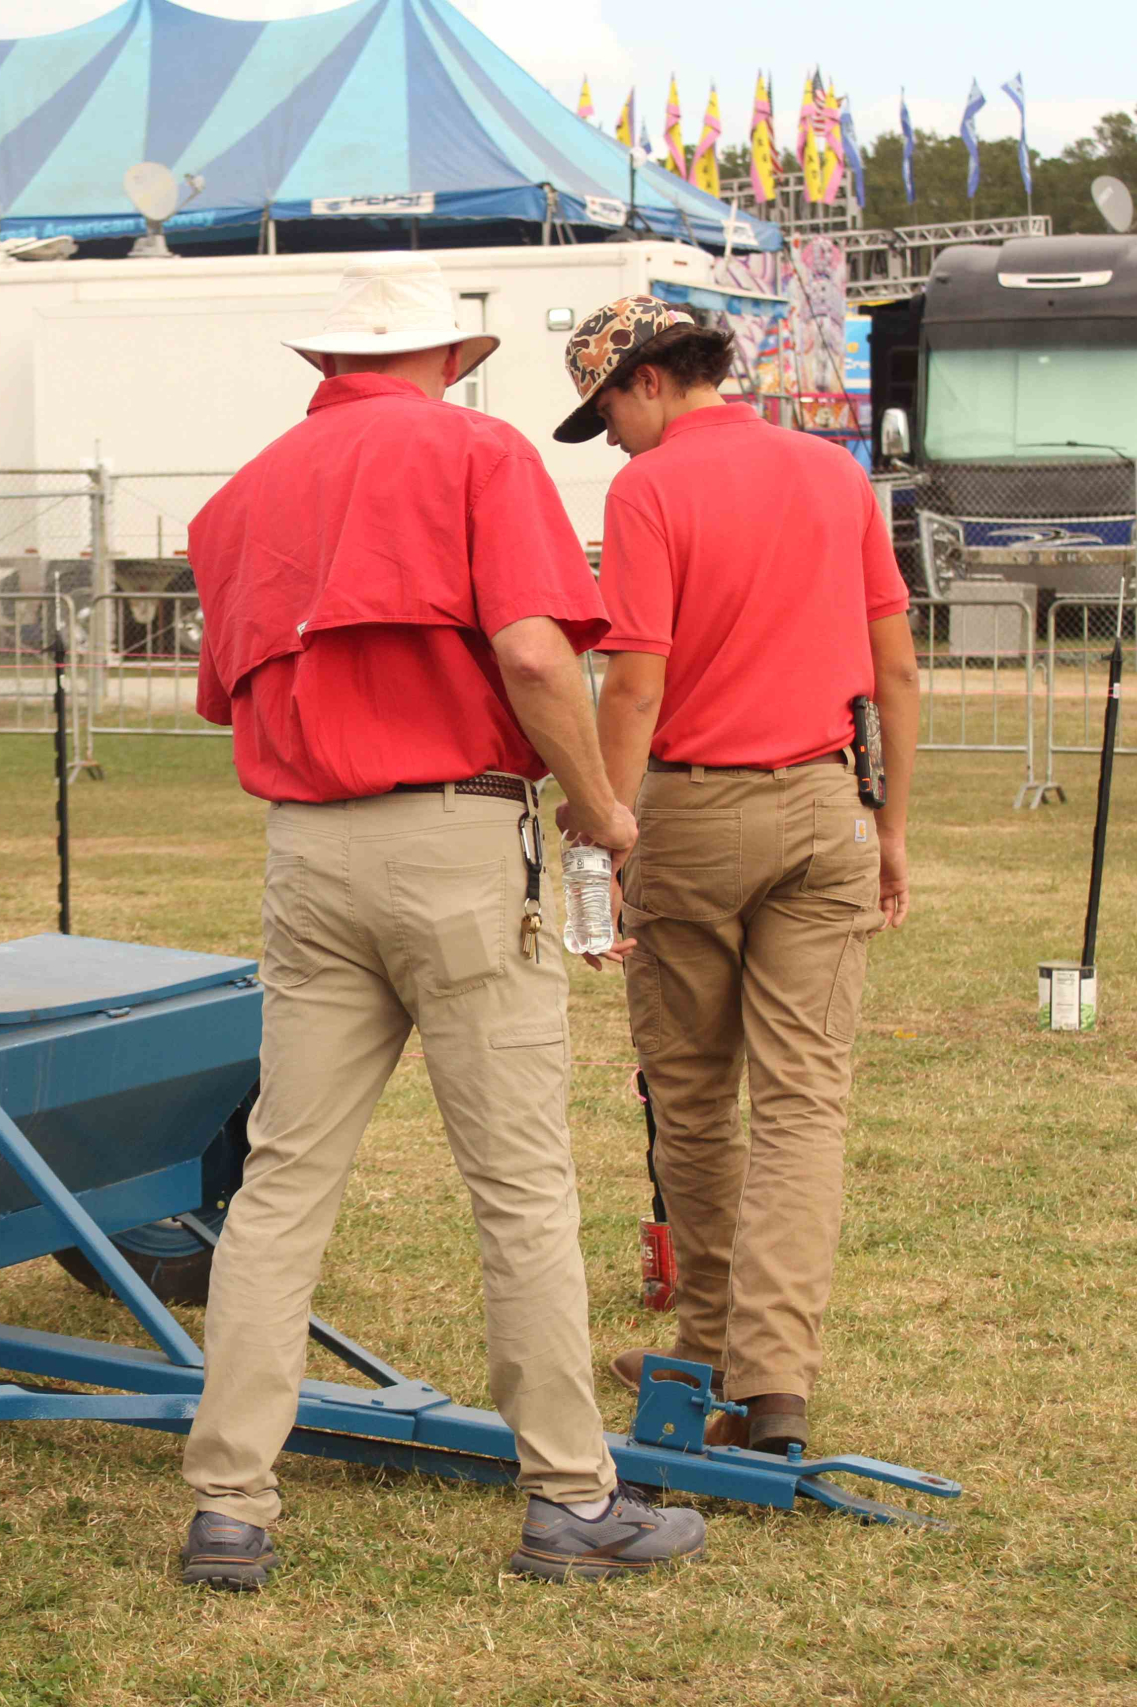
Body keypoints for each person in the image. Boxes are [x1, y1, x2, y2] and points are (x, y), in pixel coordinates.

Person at [175, 255, 710, 1591]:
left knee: (282, 1181)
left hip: (306, 850)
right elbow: (534, 653)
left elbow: (226, 693)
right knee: (520, 1185)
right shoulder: (478, 453)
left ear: (325, 368)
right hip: (461, 839)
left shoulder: (238, 501)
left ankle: (230, 1504)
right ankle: (572, 1499)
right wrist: (602, 806)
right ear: (454, 360)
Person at [554, 296, 920, 1454]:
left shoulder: (650, 490)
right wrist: (893, 827)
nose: (605, 434)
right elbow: (898, 671)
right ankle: (774, 1384)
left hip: (696, 812)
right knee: (805, 1104)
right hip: (827, 806)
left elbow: (634, 682)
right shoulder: (831, 473)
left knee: (695, 1096)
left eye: (604, 407)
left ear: (649, 381)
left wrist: (605, 829)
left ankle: (707, 1343)